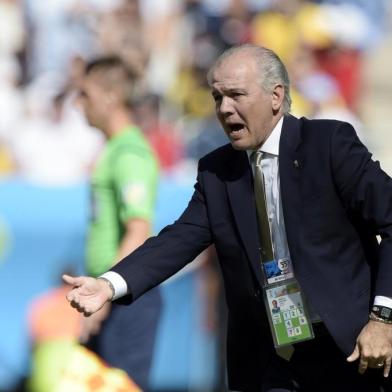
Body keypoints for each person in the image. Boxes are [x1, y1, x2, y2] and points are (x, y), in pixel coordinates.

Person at [64, 44, 392, 392]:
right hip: (273, 359)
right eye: (217, 97)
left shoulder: (328, 145)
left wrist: (382, 319)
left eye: (236, 95)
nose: (224, 109)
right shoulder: (216, 171)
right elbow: (180, 238)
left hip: (351, 347)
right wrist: (109, 284)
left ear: (276, 96)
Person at [74, 56, 162, 390]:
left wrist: (104, 295)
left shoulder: (129, 153)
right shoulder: (114, 150)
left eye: (85, 93)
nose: (79, 103)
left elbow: (138, 230)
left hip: (125, 297)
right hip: (111, 295)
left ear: (110, 95)